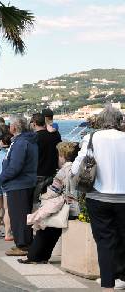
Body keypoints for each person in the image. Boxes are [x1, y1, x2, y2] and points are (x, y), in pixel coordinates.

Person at [72, 105, 125, 291]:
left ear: (101, 121)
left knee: (104, 241)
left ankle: (108, 285)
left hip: (98, 197)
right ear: (120, 121)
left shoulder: (92, 138)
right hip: (123, 198)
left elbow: (75, 168)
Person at [20, 142, 80, 264]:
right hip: (76, 208)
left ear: (63, 156)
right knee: (53, 232)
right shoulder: (77, 169)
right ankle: (44, 256)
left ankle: (34, 257)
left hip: (66, 208)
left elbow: (54, 191)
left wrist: (42, 196)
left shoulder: (63, 171)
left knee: (44, 227)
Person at [0, 116, 38, 256]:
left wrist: (2, 178)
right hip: (25, 182)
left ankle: (22, 245)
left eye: (11, 125)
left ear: (14, 127)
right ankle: (25, 242)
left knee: (18, 216)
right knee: (23, 215)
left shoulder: (21, 143)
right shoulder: (29, 141)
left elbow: (15, 166)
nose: (9, 127)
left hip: (18, 184)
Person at [30, 113, 62, 204]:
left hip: (38, 173)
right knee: (48, 201)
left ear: (34, 123)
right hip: (52, 172)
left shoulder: (34, 138)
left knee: (35, 202)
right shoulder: (55, 135)